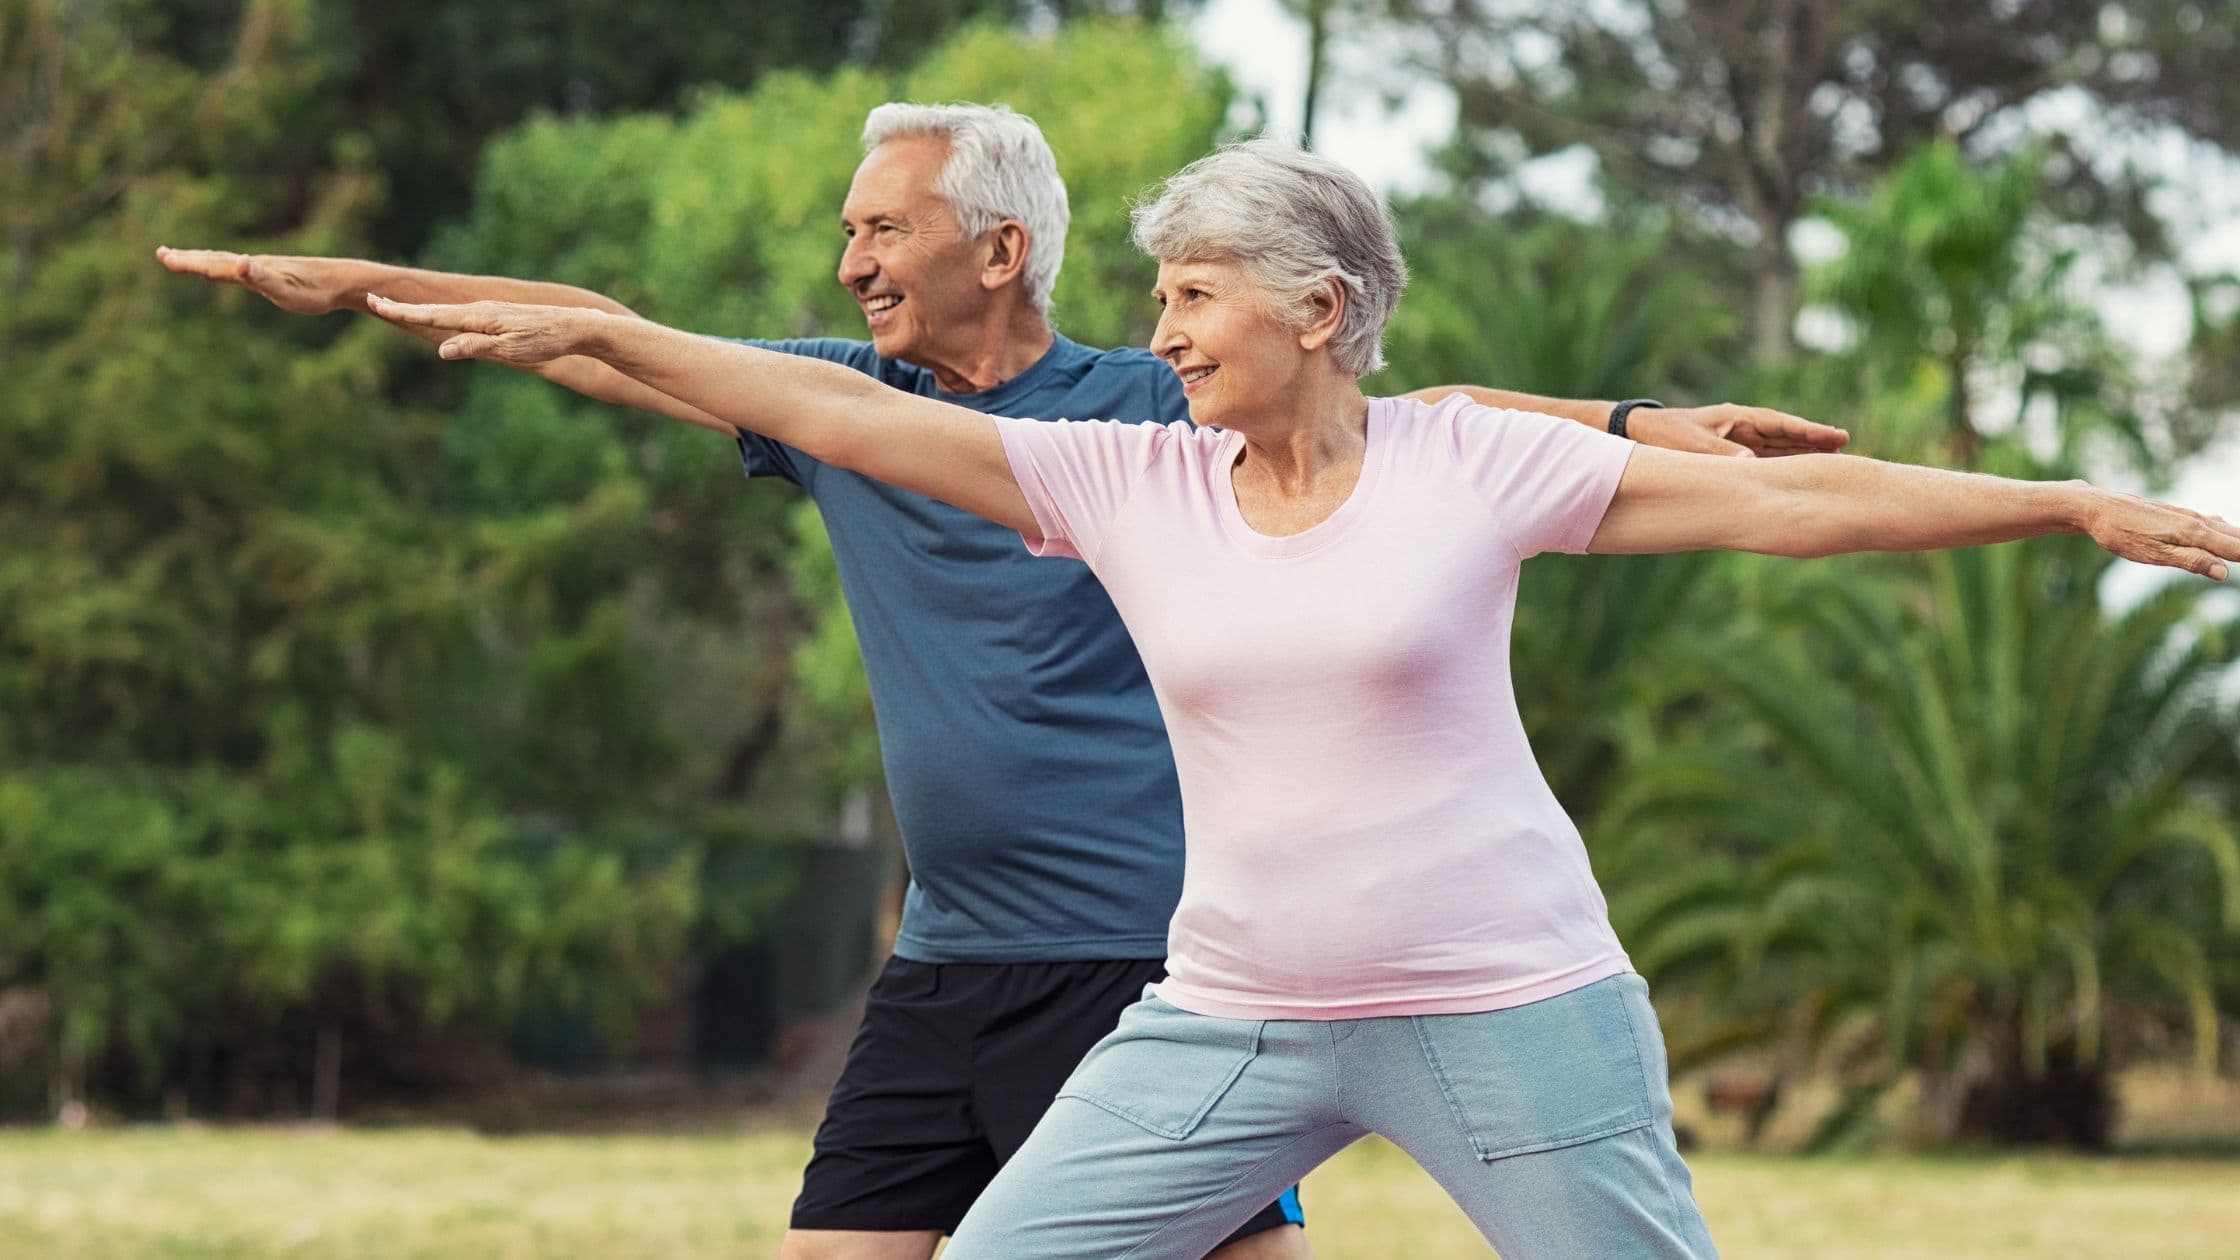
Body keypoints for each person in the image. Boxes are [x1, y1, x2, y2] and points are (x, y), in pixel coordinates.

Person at [362, 136, 2237, 1257]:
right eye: (1159, 295)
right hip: (1231, 1022)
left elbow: (1793, 504)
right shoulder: (1124, 483)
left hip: (1512, 1007)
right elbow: (833, 406)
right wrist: (605, 330)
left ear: (1319, 310)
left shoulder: (1467, 464)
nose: (1160, 329)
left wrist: (2065, 502)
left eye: (1194, 296)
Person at [162, 105, 1850, 1260]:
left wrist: (1630, 425)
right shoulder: (841, 409)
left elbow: (1416, 421)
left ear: (1004, 246)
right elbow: (612, 327)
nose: (851, 265)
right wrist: (371, 293)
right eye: (847, 235)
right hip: (949, 952)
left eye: (883, 229)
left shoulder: (1156, 406)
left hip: (1140, 955)